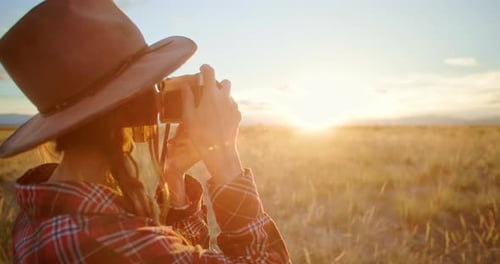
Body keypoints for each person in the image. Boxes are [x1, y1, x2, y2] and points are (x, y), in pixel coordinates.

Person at [0, 1, 290, 263]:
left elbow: (170, 254)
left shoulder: (35, 217)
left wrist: (174, 182)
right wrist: (225, 158)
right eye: (149, 83)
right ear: (129, 105)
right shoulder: (107, 239)